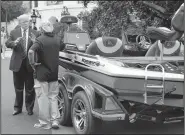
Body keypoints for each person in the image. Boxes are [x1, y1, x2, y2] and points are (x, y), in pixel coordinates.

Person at [28, 21, 65, 129]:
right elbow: (62, 46)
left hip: (42, 74)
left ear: (42, 29)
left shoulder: (40, 40)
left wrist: (32, 63)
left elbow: (31, 51)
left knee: (42, 97)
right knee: (53, 97)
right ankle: (55, 121)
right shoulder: (57, 39)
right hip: (54, 73)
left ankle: (45, 123)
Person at [5, 14, 40, 116]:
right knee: (18, 88)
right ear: (19, 23)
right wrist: (14, 43)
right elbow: (7, 43)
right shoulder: (14, 32)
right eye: (24, 22)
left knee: (30, 88)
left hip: (30, 64)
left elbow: (40, 46)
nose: (26, 23)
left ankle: (29, 108)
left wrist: (35, 42)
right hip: (17, 64)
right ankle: (17, 108)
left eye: (28, 21)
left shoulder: (35, 33)